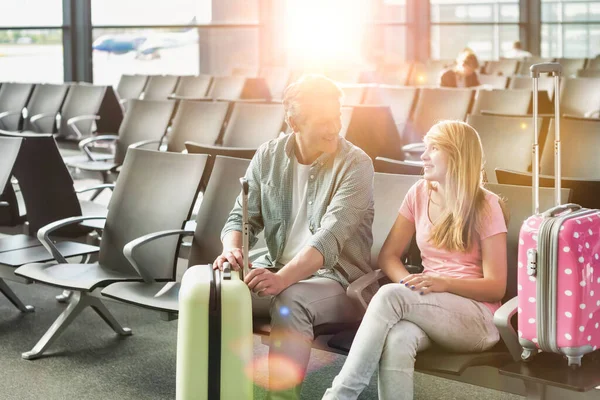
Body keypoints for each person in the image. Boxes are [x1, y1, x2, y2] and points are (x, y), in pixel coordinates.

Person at [213, 74, 375, 400]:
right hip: (278, 268)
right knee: (213, 286)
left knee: (291, 301)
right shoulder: (268, 156)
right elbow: (241, 218)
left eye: (338, 117)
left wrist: (283, 279)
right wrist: (232, 251)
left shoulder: (357, 164)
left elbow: (330, 237)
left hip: (338, 282)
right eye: (324, 121)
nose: (335, 128)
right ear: (293, 122)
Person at [323, 120, 508, 400]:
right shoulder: (418, 193)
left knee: (388, 296)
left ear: (457, 155)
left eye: (433, 148)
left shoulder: (486, 204)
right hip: (431, 306)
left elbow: (496, 287)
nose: (422, 156)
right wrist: (410, 288)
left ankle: (340, 396)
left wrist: (440, 283)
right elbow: (388, 256)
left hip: (478, 319)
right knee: (398, 339)